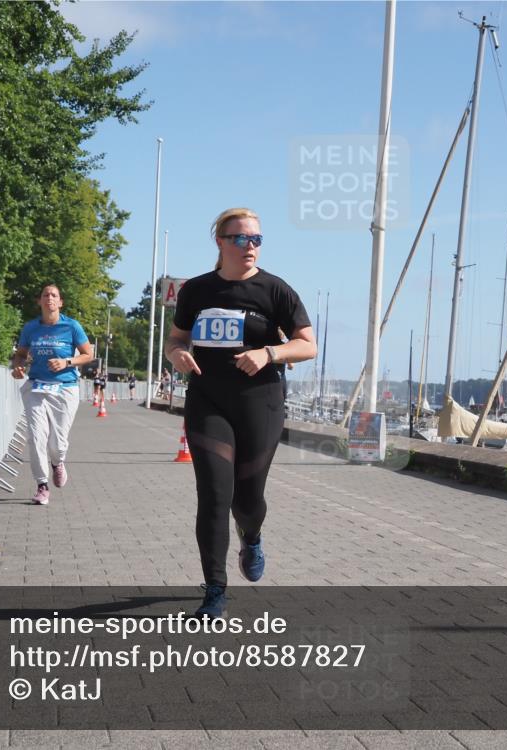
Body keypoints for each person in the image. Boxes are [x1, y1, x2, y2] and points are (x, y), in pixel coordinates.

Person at [166, 208, 317, 619]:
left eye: (256, 240)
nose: (249, 246)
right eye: (241, 239)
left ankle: (251, 536)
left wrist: (269, 353)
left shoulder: (276, 291)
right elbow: (176, 339)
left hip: (260, 403)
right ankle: (215, 589)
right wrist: (178, 354)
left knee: (247, 500)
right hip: (208, 402)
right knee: (215, 495)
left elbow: (307, 345)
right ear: (220, 242)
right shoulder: (196, 291)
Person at [11, 284, 94, 505]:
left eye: (54, 295)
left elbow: (88, 355)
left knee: (57, 443)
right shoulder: (31, 328)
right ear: (39, 301)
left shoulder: (71, 326)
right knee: (36, 436)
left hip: (65, 387)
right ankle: (41, 485)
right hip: (37, 386)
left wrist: (67, 361)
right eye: (45, 295)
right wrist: (18, 367)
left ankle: (58, 463)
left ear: (60, 302)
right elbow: (20, 355)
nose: (49, 298)